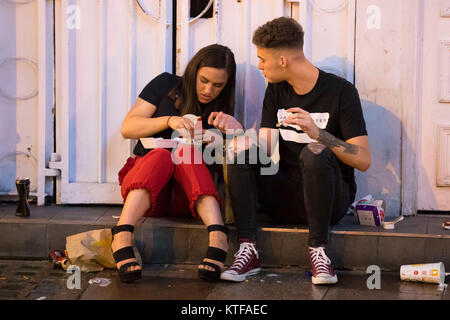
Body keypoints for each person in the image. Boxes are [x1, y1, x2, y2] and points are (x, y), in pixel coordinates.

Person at [221, 17, 371, 285]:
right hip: (283, 197)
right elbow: (265, 150)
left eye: (262, 59)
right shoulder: (276, 90)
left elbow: (363, 159)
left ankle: (319, 250)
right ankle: (248, 249)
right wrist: (239, 136)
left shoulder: (341, 92)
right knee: (240, 153)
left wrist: (319, 134)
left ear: (282, 61)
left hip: (329, 201)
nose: (259, 66)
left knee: (313, 151)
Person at [113, 44, 244, 283]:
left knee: (186, 153)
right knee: (164, 153)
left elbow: (237, 158)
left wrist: (226, 137)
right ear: (193, 71)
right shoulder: (165, 84)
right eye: (203, 80)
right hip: (148, 195)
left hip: (190, 200)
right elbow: (128, 128)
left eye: (218, 85)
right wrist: (170, 120)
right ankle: (122, 235)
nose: (208, 90)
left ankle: (218, 236)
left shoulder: (221, 111)